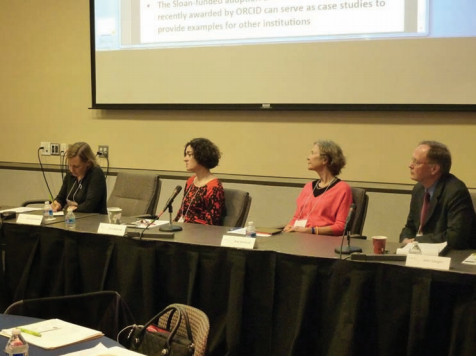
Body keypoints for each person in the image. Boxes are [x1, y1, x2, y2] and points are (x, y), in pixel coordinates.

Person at [400, 141, 476, 249]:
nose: (410, 165)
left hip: (451, 256)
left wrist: (416, 242)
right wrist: (405, 239)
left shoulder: (455, 191)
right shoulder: (418, 189)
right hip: (420, 253)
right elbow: (410, 227)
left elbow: (455, 237)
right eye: (412, 160)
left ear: (434, 169)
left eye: (417, 162)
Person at [284, 140, 353, 236]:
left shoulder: (342, 189)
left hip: (324, 242)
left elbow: (340, 227)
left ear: (325, 160)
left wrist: (311, 231)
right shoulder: (308, 187)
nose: (308, 157)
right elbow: (297, 217)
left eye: (312, 153)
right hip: (300, 238)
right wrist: (290, 226)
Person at [174, 138, 226, 225]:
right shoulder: (190, 181)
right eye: (185, 155)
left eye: (189, 155)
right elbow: (182, 211)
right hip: (183, 229)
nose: (185, 159)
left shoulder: (214, 187)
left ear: (202, 156)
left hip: (199, 234)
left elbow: (212, 223)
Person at [51, 142, 107, 214]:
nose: (72, 170)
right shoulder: (70, 174)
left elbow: (89, 206)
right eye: (70, 165)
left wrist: (69, 208)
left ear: (88, 163)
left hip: (92, 221)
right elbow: (61, 197)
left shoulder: (96, 174)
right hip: (72, 219)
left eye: (76, 166)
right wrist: (57, 204)